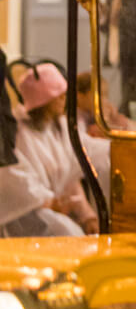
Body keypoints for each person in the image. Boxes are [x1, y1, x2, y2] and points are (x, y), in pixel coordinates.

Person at [0, 64, 100, 236]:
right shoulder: (19, 133)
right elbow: (17, 182)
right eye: (58, 95)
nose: (64, 98)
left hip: (53, 209)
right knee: (69, 233)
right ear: (43, 100)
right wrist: (49, 202)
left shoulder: (59, 128)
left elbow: (71, 176)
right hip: (23, 214)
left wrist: (88, 216)